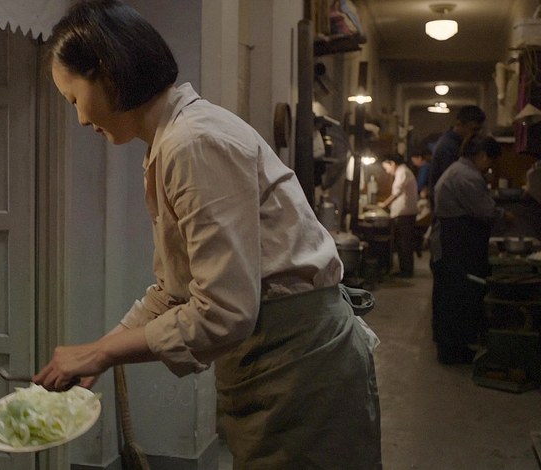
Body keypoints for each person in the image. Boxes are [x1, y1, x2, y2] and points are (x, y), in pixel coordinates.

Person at [35, 1, 382, 468]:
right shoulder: (170, 141)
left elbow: (224, 312)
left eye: (75, 98)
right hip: (277, 358)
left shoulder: (192, 141)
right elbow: (176, 290)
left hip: (300, 362)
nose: (79, 119)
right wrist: (98, 353)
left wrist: (101, 352)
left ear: (107, 72)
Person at [430, 135, 513, 364]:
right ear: (483, 156)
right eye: (491, 161)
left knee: (452, 296)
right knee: (457, 296)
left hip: (454, 243)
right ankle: (452, 351)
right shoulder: (467, 176)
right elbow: (485, 211)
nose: (490, 167)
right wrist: (505, 215)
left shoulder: (458, 170)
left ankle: (452, 347)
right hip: (456, 244)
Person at [428, 105, 486, 206]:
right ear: (459, 124)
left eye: (478, 130)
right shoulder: (448, 146)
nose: (476, 134)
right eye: (473, 129)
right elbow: (456, 180)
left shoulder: (457, 143)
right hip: (447, 206)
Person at [377, 154, 418, 277]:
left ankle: (406, 271)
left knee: (404, 243)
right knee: (403, 243)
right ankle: (404, 269)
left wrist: (384, 204)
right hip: (404, 213)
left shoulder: (402, 172)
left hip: (404, 213)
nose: (387, 171)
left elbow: (396, 192)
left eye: (387, 167)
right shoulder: (403, 172)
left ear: (392, 163)